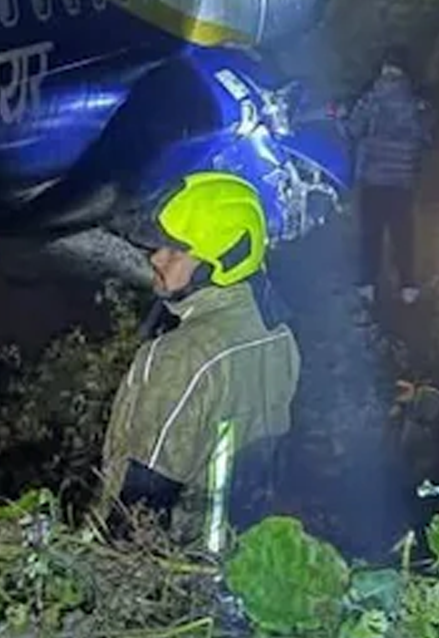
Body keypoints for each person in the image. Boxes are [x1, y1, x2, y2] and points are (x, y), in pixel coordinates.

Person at [96, 171, 301, 555]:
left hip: (176, 565)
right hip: (236, 556)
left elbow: (140, 505)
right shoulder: (278, 336)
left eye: (176, 252)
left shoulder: (182, 355)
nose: (156, 258)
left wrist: (107, 565)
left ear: (218, 265)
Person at [345, 46, 431, 305]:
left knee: (370, 234)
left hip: (372, 177)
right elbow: (425, 136)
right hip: (402, 180)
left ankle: (368, 285)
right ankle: (408, 287)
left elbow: (353, 129)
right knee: (403, 234)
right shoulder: (415, 102)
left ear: (384, 69)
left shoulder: (370, 99)